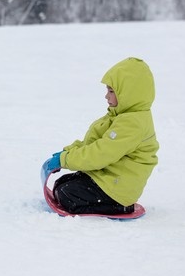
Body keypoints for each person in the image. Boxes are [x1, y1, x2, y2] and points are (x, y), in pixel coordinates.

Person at [43, 57, 159, 215]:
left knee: (66, 194)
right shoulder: (119, 116)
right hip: (108, 179)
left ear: (129, 93)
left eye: (111, 91)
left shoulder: (132, 123)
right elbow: (93, 142)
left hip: (118, 189)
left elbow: (100, 153)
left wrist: (66, 160)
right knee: (62, 184)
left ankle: (120, 207)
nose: (106, 96)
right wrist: (68, 152)